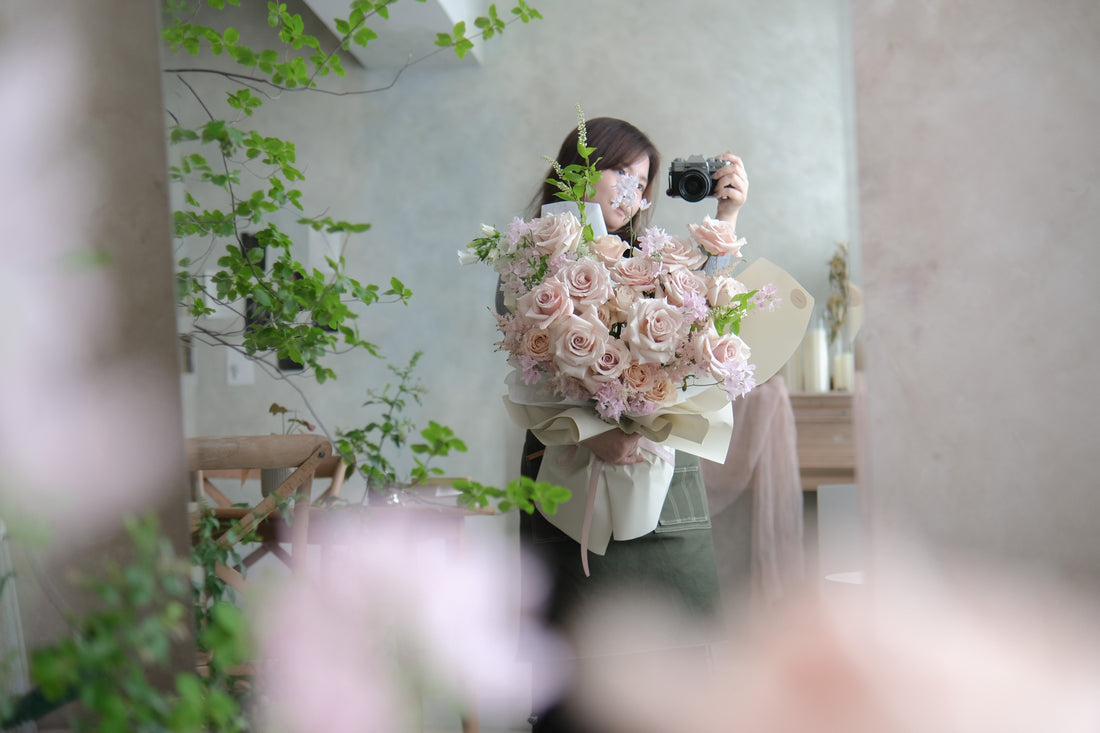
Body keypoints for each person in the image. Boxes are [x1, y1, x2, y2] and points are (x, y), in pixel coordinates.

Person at [515, 117, 748, 733]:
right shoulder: (529, 264)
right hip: (573, 490)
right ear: (582, 169)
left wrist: (724, 218)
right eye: (622, 173)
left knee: (683, 670)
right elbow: (531, 377)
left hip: (668, 484)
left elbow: (707, 325)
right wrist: (600, 433)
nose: (632, 194)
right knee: (578, 677)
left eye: (643, 183)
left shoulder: (654, 261)